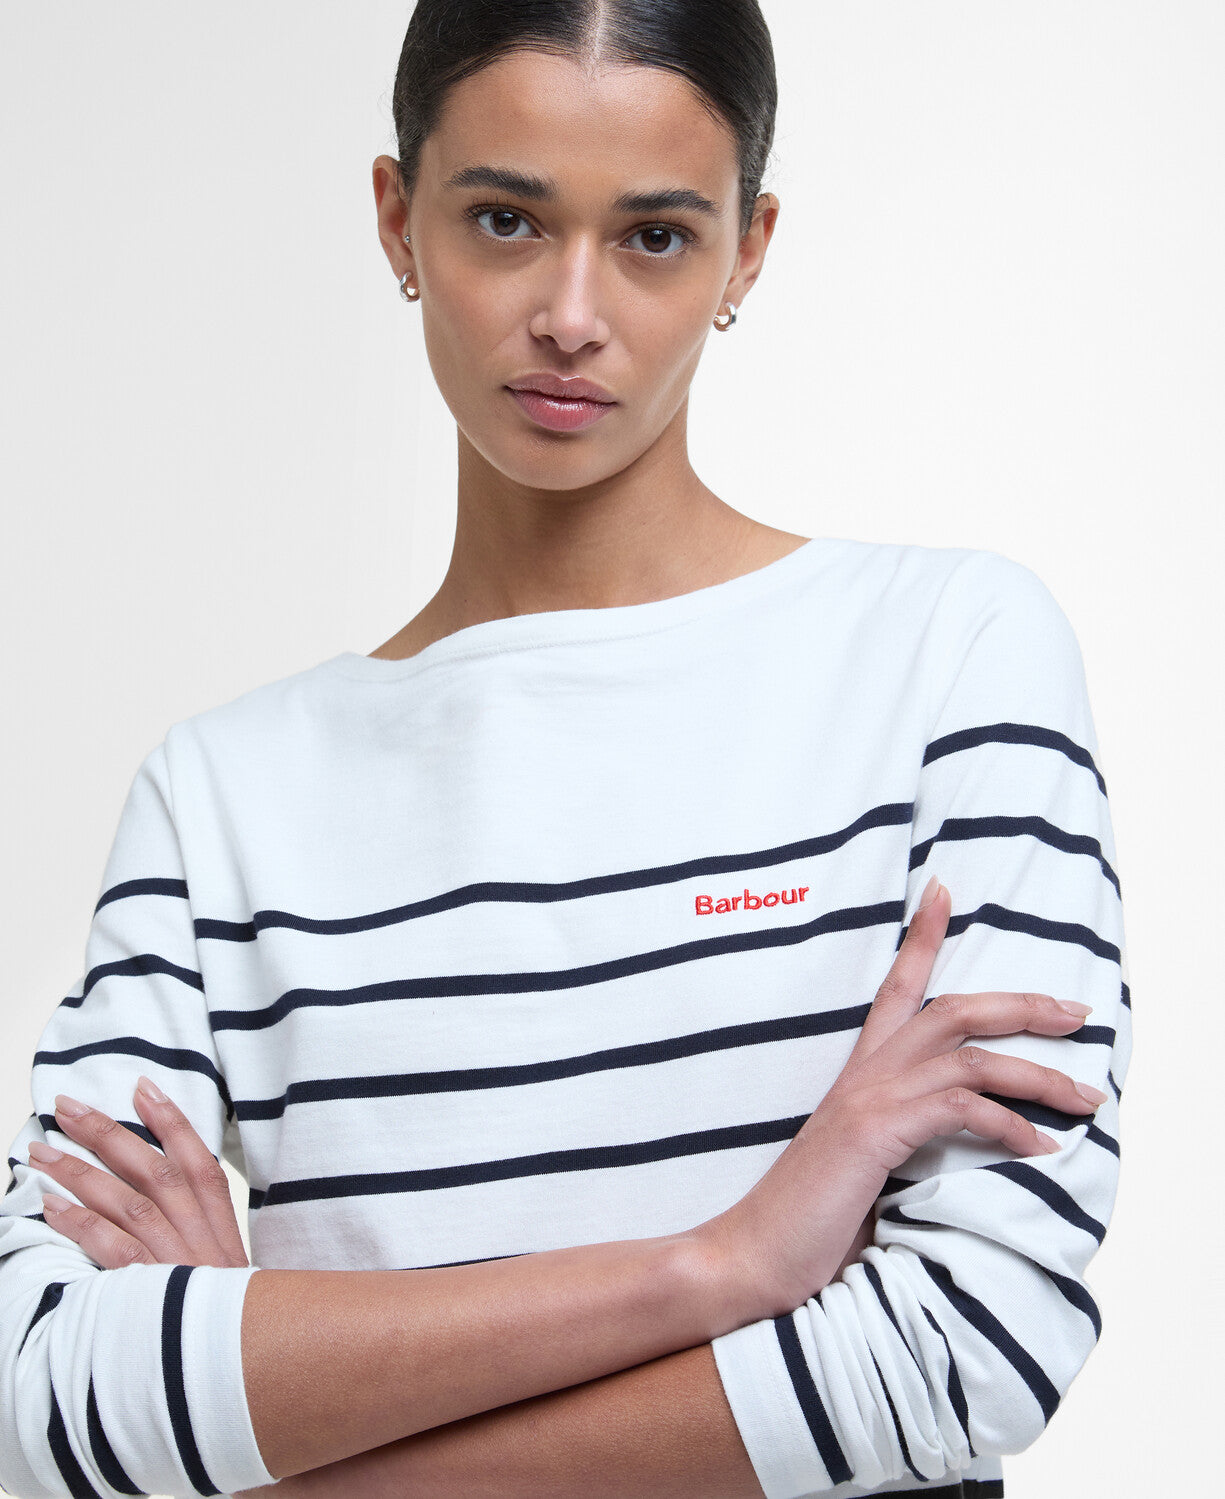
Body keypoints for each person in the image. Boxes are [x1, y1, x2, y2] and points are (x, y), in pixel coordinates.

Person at [0, 3, 1129, 1497]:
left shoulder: (944, 656)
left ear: (747, 250)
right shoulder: (222, 797)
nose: (572, 316)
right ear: (398, 220)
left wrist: (272, 1456)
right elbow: (42, 1389)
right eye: (505, 220)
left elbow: (962, 1352)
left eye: (654, 236)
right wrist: (719, 1265)